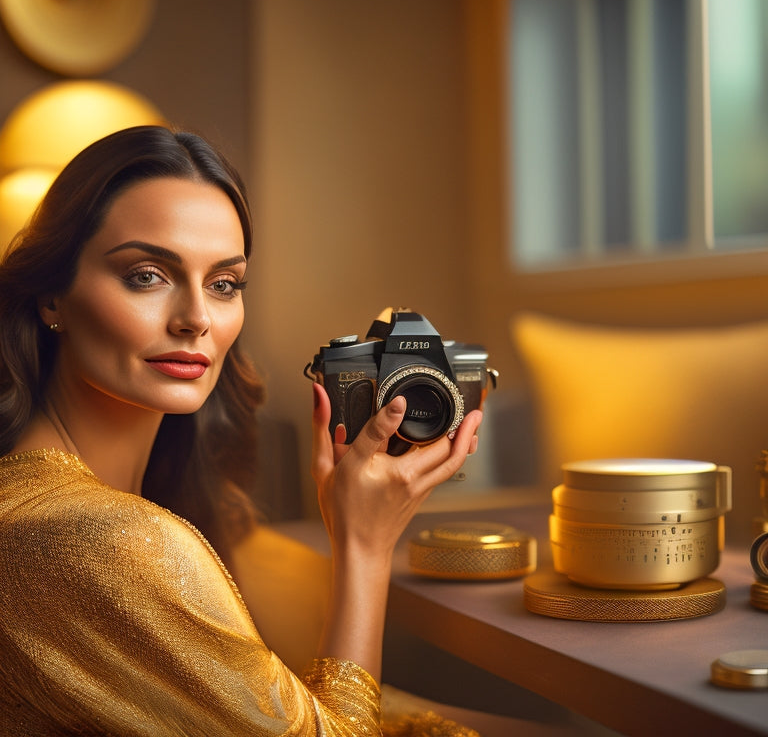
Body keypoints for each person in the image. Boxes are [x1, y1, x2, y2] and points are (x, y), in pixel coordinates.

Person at [0, 125, 483, 736]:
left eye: (224, 284)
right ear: (51, 298)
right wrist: (364, 545)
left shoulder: (69, 506)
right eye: (147, 275)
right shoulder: (108, 540)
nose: (196, 319)